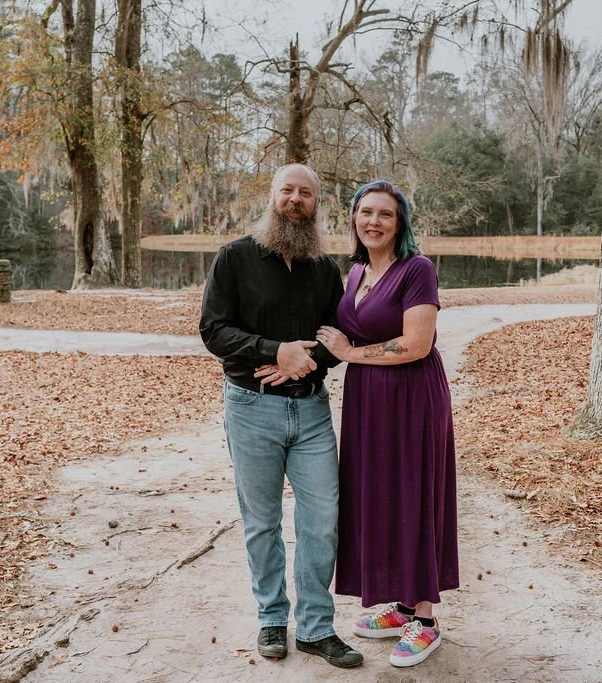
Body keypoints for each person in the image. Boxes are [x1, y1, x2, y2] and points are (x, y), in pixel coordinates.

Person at [199, 163, 364, 669]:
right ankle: (272, 618)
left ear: (317, 203)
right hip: (251, 408)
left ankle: (316, 628)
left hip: (312, 411)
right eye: (287, 190)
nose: (296, 199)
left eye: (306, 193)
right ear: (272, 197)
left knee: (322, 521)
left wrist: (307, 360)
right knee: (262, 521)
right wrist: (272, 351)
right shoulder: (236, 257)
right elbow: (213, 330)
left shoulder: (323, 268)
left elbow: (340, 335)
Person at [315, 180, 459, 668]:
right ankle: (399, 606)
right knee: (380, 495)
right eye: (366, 212)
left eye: (386, 215)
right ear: (354, 218)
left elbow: (417, 343)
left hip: (412, 396)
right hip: (367, 401)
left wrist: (351, 353)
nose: (373, 221)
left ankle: (425, 619)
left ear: (401, 224)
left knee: (415, 494)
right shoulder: (355, 273)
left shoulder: (417, 270)